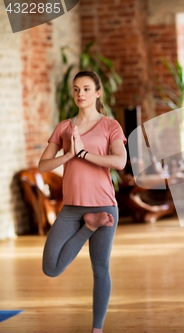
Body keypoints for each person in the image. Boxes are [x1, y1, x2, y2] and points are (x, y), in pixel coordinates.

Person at [39, 71, 127, 333]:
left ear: (98, 93)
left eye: (87, 89)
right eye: (76, 89)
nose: (81, 94)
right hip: (71, 208)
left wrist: (84, 153)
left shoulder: (111, 126)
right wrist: (69, 155)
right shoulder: (65, 127)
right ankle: (89, 226)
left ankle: (96, 329)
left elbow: (119, 162)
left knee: (100, 268)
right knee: (50, 268)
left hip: (103, 205)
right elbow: (43, 165)